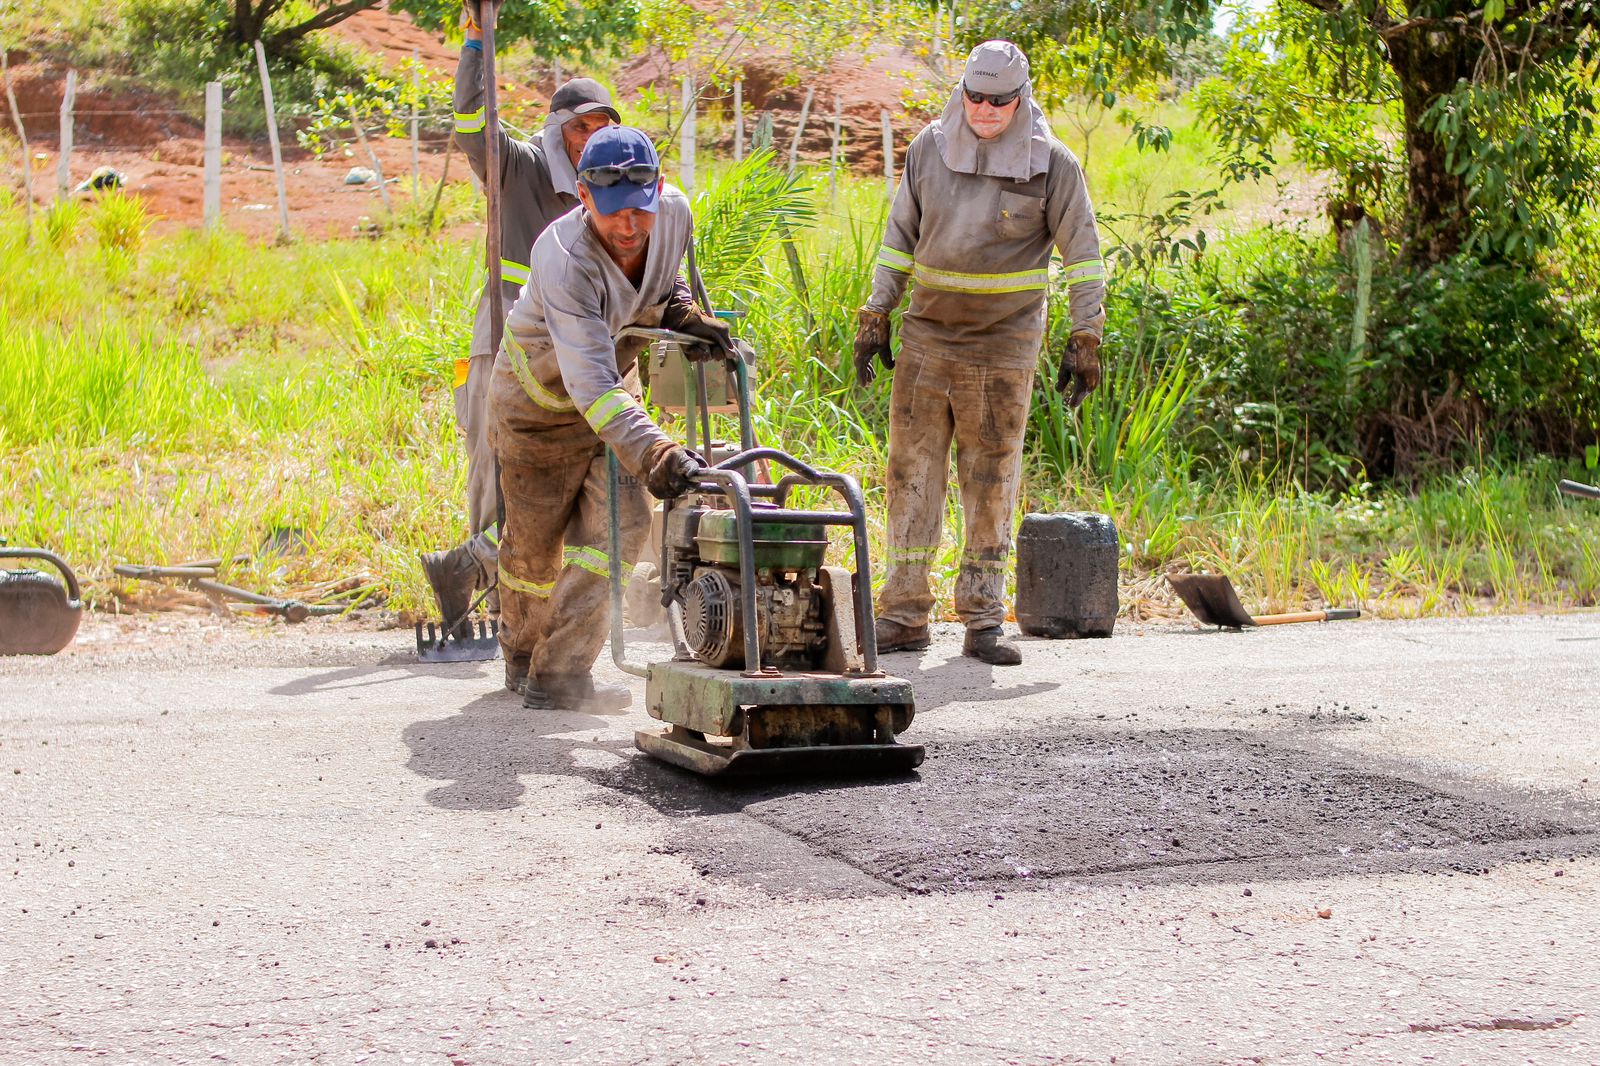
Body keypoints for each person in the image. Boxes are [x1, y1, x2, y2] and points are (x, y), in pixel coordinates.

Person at [855, 40, 1107, 667]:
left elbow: (1083, 256)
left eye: (1000, 100)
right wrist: (874, 314)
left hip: (1004, 347)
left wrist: (1086, 339)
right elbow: (897, 240)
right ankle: (904, 613)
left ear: (1022, 97)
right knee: (910, 477)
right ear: (961, 90)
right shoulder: (928, 150)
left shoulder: (1054, 165)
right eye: (976, 97)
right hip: (926, 340)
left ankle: (984, 619)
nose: (987, 110)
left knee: (991, 483)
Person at [492, 126, 731, 707]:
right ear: (582, 196)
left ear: (660, 188)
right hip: (539, 407)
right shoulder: (563, 257)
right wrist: (654, 450)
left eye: (640, 209)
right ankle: (522, 654)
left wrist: (682, 311)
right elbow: (589, 383)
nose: (629, 226)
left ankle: (560, 672)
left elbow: (665, 275)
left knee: (619, 530)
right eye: (614, 212)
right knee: (534, 550)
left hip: (613, 400)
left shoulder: (673, 216)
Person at [419, 1, 621, 638]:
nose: (591, 139)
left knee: (559, 490)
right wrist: (476, 42)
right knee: (495, 485)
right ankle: (475, 586)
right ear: (560, 128)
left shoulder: (608, 194)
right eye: (581, 128)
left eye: (601, 128)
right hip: (504, 345)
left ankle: (493, 591)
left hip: (570, 362)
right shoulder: (522, 167)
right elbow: (472, 124)